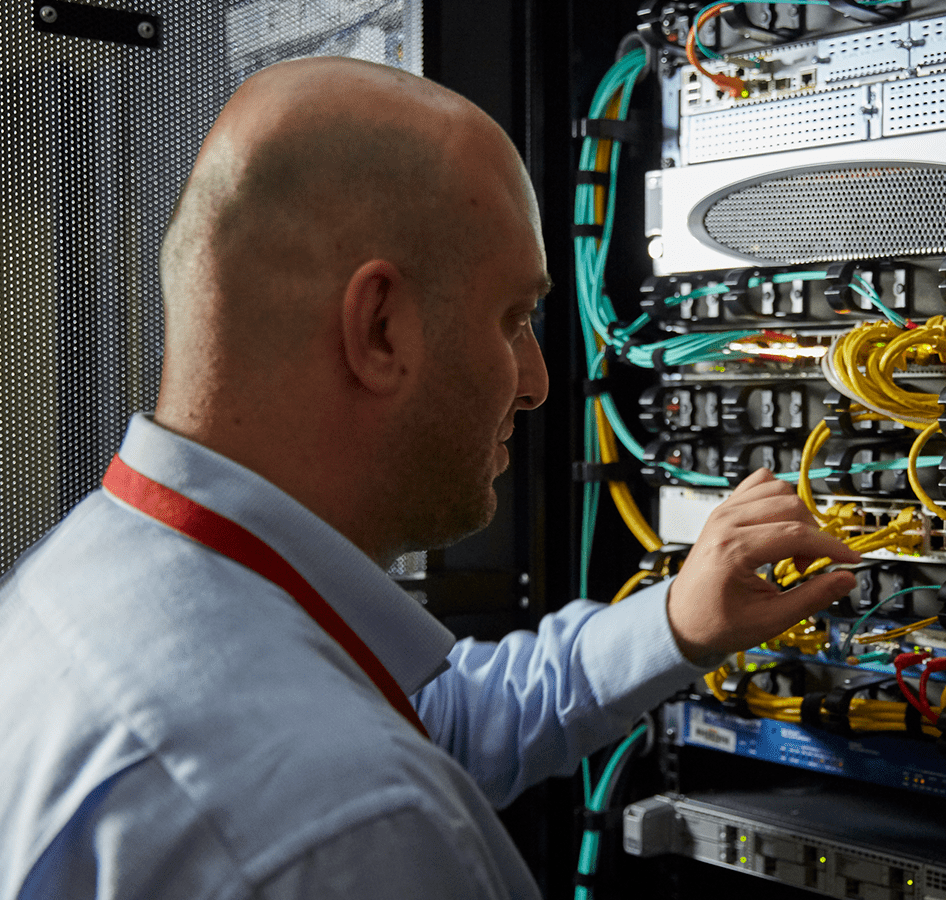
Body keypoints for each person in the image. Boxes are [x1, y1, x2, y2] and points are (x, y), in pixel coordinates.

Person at [0, 57, 860, 899]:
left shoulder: (86, 584)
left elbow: (433, 723)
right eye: (513, 319)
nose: (537, 382)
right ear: (380, 328)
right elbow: (362, 761)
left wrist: (675, 621)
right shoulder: (344, 821)